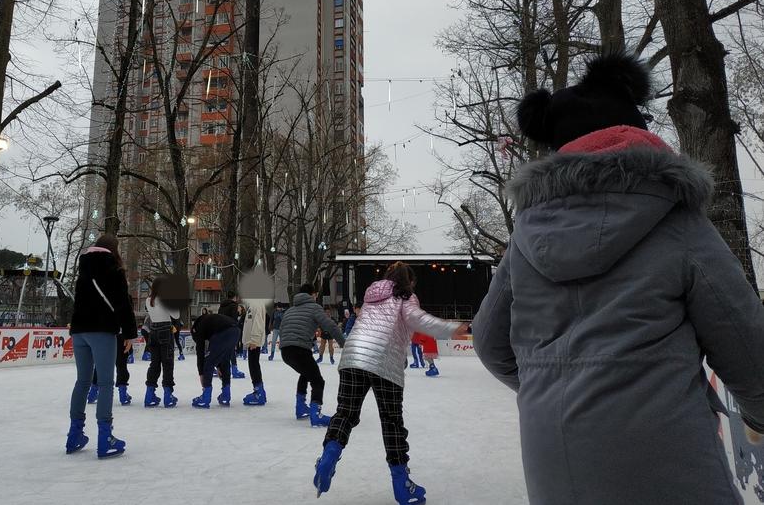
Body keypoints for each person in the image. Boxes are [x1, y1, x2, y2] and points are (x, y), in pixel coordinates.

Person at [472, 52, 764, 505]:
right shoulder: (677, 222)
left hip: (553, 460)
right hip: (667, 453)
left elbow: (489, 343)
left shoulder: (525, 241)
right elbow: (746, 343)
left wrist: (552, 389)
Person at [313, 262, 468, 504]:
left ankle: (328, 456)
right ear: (409, 282)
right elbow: (419, 320)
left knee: (345, 413)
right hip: (384, 360)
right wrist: (451, 328)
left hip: (353, 356)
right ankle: (402, 484)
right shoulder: (405, 297)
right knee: (391, 422)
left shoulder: (371, 297)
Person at [66, 234, 136, 459]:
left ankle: (74, 434)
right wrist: (129, 333)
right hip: (102, 330)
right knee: (105, 383)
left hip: (79, 331)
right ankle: (105, 437)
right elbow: (122, 303)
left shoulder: (83, 269)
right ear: (114, 250)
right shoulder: (113, 269)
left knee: (82, 381)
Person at [279, 283, 345, 426]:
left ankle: (301, 407)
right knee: (318, 381)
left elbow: (282, 329)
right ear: (313, 294)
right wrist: (343, 343)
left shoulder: (290, 310)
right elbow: (330, 325)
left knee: (305, 373)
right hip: (300, 349)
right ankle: (316, 414)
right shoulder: (314, 307)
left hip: (285, 351)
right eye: (315, 295)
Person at [143, 276, 182, 408]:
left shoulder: (148, 300)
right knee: (167, 363)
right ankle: (168, 395)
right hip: (165, 330)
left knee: (154, 364)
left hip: (153, 331)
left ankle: (149, 395)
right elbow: (176, 315)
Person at [190, 312, 239, 408]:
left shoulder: (198, 328)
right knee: (225, 362)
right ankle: (226, 395)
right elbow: (218, 352)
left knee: (208, 363)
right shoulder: (210, 320)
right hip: (235, 331)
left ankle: (205, 397)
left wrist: (201, 374)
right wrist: (219, 366)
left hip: (223, 333)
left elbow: (200, 352)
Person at [241, 298, 270, 405]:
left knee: (253, 365)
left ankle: (259, 393)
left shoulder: (257, 304)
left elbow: (258, 323)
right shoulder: (252, 305)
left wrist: (254, 339)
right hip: (251, 341)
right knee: (253, 364)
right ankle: (259, 391)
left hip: (254, 341)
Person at [218, 292, 247, 378]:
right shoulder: (234, 305)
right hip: (229, 329)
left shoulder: (222, 306)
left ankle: (220, 368)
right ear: (235, 297)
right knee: (231, 350)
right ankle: (234, 369)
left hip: (221, 329)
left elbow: (219, 317)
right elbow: (233, 319)